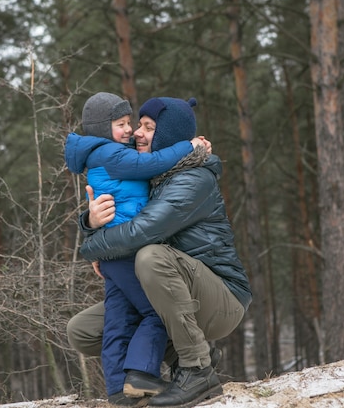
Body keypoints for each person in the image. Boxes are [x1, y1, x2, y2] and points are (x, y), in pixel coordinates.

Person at [67, 96, 252, 408]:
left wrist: (92, 248)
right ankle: (171, 359)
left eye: (148, 127)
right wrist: (89, 221)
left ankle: (197, 370)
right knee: (82, 331)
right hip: (174, 290)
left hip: (222, 299)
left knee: (150, 256)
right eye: (137, 125)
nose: (137, 133)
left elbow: (142, 232)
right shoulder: (152, 177)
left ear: (167, 137)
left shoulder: (193, 179)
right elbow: (125, 217)